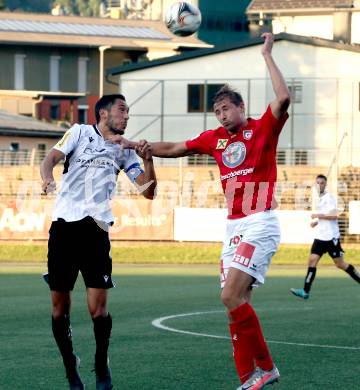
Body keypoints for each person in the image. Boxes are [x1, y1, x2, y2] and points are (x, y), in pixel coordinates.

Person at [113, 33, 290, 390]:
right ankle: (247, 378)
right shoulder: (215, 139)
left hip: (259, 223)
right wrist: (135, 145)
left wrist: (267, 55)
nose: (222, 115)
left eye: (227, 108)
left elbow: (283, 97)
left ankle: (267, 368)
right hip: (233, 228)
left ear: (242, 108)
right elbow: (176, 146)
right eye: (218, 111)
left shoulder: (262, 129)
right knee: (235, 303)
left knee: (228, 296)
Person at [40, 94, 157, 390]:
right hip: (65, 229)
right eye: (122, 110)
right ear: (104, 114)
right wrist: (46, 178)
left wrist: (148, 159)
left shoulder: (124, 150)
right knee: (58, 309)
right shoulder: (79, 132)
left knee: (98, 311)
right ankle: (70, 367)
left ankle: (102, 366)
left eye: (128, 112)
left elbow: (148, 191)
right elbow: (50, 159)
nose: (127, 116)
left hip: (96, 231)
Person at [291, 174, 360, 299]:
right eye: (317, 183)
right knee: (312, 261)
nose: (319, 185)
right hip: (320, 237)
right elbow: (326, 216)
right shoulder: (319, 198)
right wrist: (317, 222)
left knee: (340, 264)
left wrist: (318, 216)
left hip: (331, 237)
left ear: (325, 184)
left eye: (321, 183)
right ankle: (305, 291)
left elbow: (334, 216)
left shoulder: (329, 198)